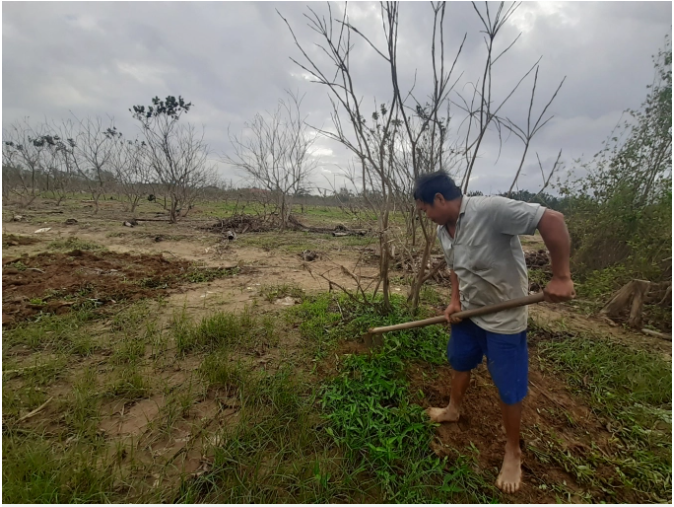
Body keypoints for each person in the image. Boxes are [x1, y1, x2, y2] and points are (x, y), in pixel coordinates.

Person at [413, 171, 575, 494]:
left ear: (440, 200)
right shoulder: (445, 230)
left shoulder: (490, 210)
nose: (426, 215)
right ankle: (453, 409)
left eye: (425, 209)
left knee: (508, 386)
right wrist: (455, 301)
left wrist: (561, 276)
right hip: (471, 314)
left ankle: (512, 450)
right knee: (459, 360)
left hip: (504, 320)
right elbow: (455, 268)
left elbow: (552, 219)